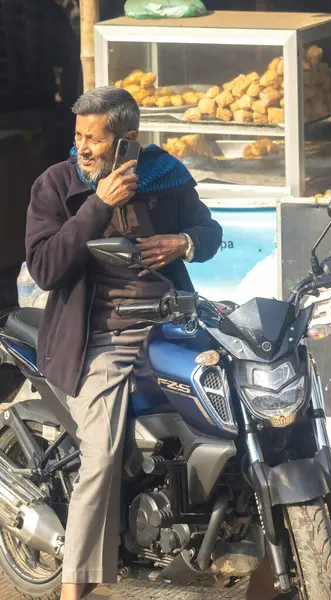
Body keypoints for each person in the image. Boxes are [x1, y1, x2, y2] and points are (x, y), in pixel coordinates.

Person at [25, 86, 222, 600]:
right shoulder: (59, 184)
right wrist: (97, 204)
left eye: (94, 138)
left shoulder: (165, 176)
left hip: (169, 328)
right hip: (98, 336)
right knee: (103, 453)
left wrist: (186, 242)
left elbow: (209, 229)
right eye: (78, 136)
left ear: (128, 141)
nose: (83, 148)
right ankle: (76, 585)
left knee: (232, 413)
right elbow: (45, 268)